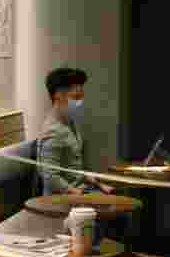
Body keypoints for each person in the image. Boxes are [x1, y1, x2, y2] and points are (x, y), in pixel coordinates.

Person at [38, 67, 114, 195]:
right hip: (61, 201)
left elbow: (75, 170)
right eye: (76, 97)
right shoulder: (53, 131)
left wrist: (99, 185)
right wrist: (77, 193)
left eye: (81, 98)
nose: (79, 103)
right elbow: (49, 177)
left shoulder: (70, 124)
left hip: (79, 192)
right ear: (58, 95)